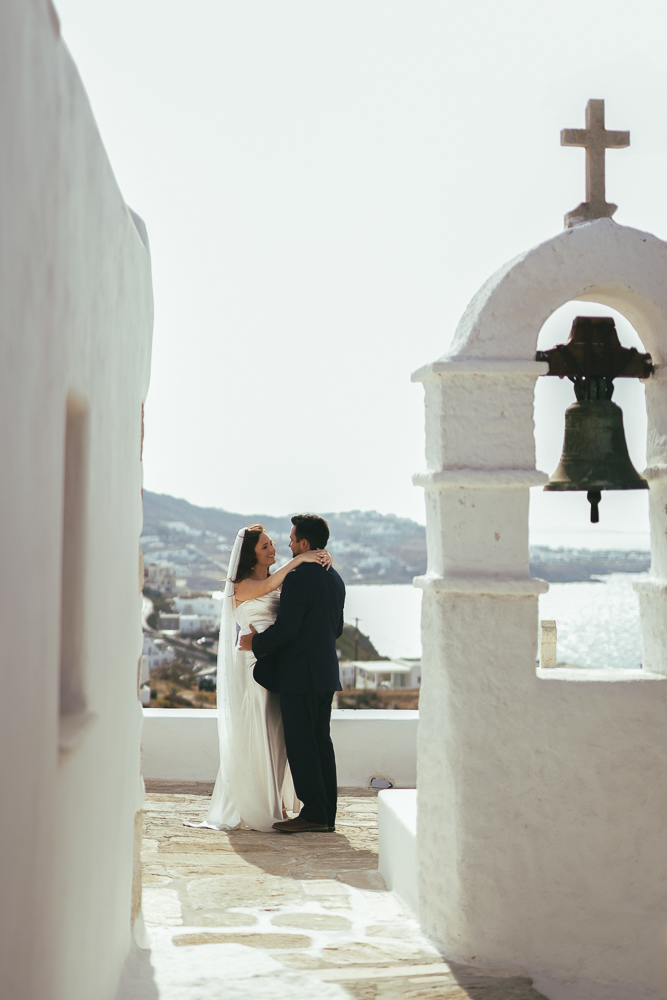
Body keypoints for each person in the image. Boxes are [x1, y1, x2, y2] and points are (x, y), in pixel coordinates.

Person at [186, 524, 331, 833]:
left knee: (279, 737)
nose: (273, 550)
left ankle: (274, 801)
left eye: (273, 544)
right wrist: (303, 558)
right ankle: (256, 805)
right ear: (250, 554)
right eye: (265, 547)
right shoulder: (240, 586)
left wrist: (315, 559)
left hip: (283, 668)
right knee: (258, 732)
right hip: (258, 667)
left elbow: (291, 613)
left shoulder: (280, 583)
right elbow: (267, 590)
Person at [239, 514, 346, 833]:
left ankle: (313, 814)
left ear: (304, 543)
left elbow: (286, 630)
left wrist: (255, 642)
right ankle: (326, 815)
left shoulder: (299, 578)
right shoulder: (334, 577)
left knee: (301, 745)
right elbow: (336, 629)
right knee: (321, 743)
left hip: (300, 675)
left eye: (291, 538)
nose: (287, 543)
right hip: (326, 673)